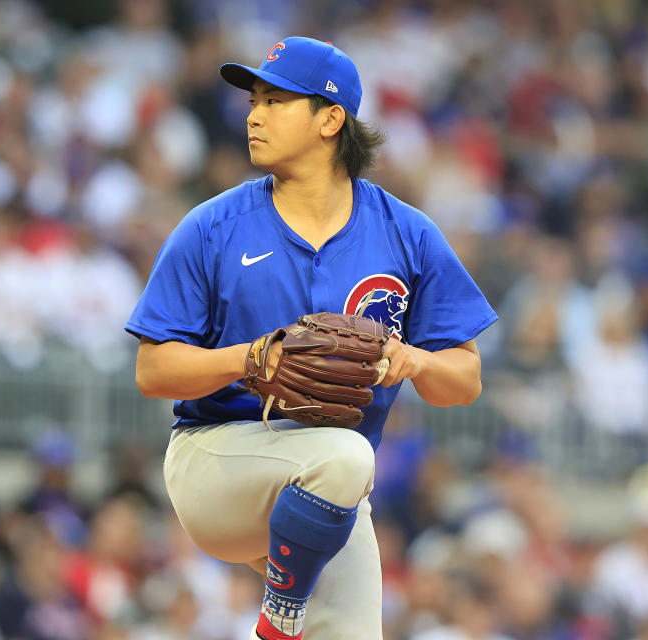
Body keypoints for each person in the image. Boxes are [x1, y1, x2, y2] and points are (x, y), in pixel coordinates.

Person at [126, 36, 497, 640]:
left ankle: (290, 608)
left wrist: (413, 362)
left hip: (332, 491)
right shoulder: (213, 226)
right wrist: (247, 360)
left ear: (331, 118)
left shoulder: (406, 234)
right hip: (219, 460)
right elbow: (152, 371)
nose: (253, 114)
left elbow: (466, 381)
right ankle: (278, 621)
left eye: (276, 100)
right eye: (254, 100)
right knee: (348, 455)